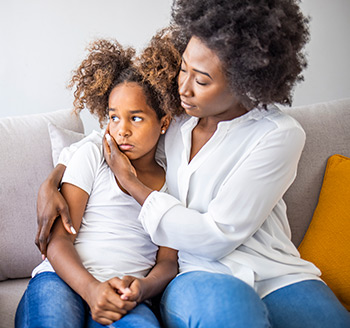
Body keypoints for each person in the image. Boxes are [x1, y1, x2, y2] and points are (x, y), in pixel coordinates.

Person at [35, 0, 350, 327]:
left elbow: (217, 235)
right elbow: (112, 134)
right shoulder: (177, 119)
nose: (183, 87)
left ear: (245, 81)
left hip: (275, 271)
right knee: (234, 315)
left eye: (201, 80)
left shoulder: (278, 134)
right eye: (184, 68)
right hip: (199, 270)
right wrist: (53, 180)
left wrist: (133, 186)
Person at [15, 33, 181, 328]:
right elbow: (59, 238)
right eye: (114, 117)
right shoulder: (93, 154)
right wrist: (91, 289)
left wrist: (141, 288)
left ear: (164, 122)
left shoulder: (175, 178)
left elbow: (168, 261)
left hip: (125, 292)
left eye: (136, 118)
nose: (122, 130)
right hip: (62, 279)